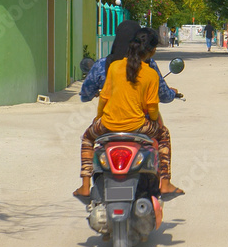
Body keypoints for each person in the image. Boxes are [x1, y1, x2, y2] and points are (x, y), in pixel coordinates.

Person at [75, 22, 183, 197]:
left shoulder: (111, 66)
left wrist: (99, 117)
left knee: (87, 138)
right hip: (138, 125)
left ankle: (85, 186)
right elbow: (154, 104)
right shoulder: (150, 71)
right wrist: (154, 120)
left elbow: (101, 97)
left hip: (108, 124)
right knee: (164, 135)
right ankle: (165, 183)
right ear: (150, 50)